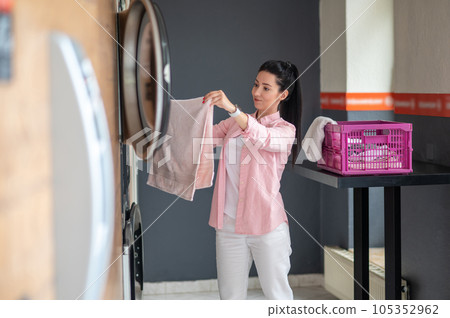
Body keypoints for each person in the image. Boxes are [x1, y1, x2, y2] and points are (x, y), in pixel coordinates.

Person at [202, 60, 302, 300]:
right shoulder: (234, 125)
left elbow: (262, 137)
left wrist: (232, 109)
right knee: (230, 299)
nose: (256, 92)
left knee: (278, 298)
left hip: (267, 226)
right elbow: (202, 137)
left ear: (283, 94)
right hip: (228, 226)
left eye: (266, 88)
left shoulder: (285, 131)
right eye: (256, 84)